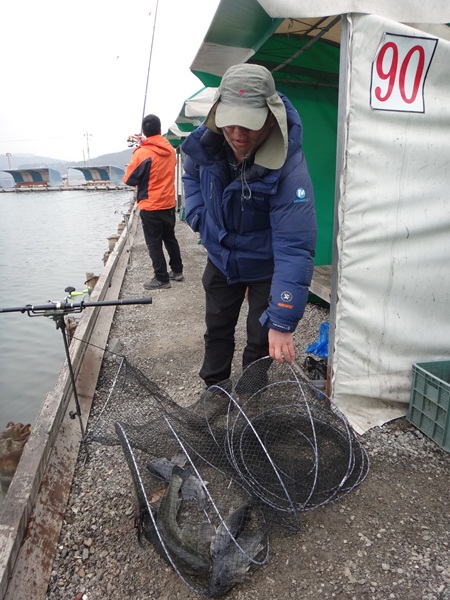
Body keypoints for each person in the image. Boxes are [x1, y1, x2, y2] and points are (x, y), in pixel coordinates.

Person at [181, 63, 317, 388]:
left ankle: (250, 394)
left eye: (249, 125)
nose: (238, 135)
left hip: (264, 265)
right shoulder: (207, 143)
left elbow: (294, 245)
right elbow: (191, 175)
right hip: (221, 257)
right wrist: (198, 216)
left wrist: (282, 320)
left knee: (260, 338)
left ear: (270, 118)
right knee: (217, 328)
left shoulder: (290, 166)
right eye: (230, 124)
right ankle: (215, 390)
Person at [124, 114, 184, 289]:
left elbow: (129, 179)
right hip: (168, 203)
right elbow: (157, 154)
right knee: (170, 238)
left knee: (154, 244)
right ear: (160, 129)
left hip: (151, 205)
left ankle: (161, 278)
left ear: (143, 131)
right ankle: (177, 270)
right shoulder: (170, 150)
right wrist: (144, 143)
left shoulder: (141, 153)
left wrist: (138, 149)